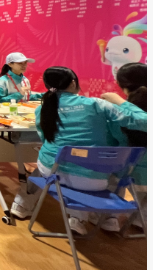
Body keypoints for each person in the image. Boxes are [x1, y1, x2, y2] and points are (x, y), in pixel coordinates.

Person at [11, 67, 147, 234]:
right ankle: (102, 218)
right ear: (73, 83)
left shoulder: (42, 109)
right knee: (101, 167)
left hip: (55, 173)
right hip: (96, 181)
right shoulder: (98, 105)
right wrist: (121, 101)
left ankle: (21, 205)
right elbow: (144, 121)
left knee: (47, 161)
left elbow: (46, 140)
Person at [101, 62, 147, 231]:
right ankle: (143, 218)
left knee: (112, 167)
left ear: (121, 84)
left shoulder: (119, 110)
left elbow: (111, 141)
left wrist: (119, 102)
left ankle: (110, 217)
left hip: (128, 174)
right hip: (143, 179)